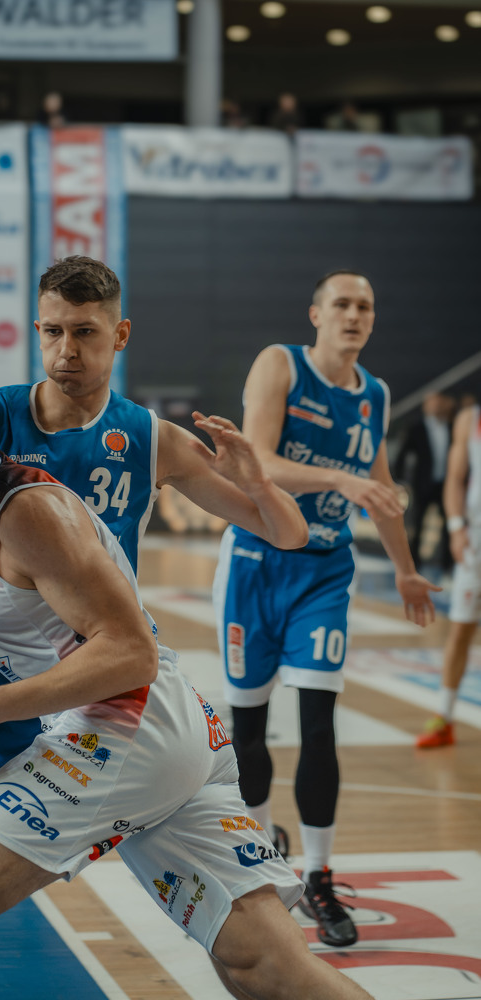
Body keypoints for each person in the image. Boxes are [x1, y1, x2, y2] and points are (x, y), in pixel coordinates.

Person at [0, 350, 375, 1000]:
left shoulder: (30, 513)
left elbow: (130, 655)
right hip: (158, 733)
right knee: (268, 967)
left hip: (124, 722)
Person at [212, 270, 440, 950]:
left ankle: (318, 874)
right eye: (341, 303)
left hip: (323, 571)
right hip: (255, 563)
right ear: (316, 314)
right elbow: (257, 462)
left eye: (364, 305)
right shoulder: (280, 364)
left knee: (318, 723)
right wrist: (343, 477)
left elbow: (380, 490)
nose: (353, 314)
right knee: (248, 725)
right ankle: (259, 860)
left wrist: (406, 570)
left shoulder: (374, 394)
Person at [416, 400, 481, 748]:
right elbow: (454, 480)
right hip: (476, 539)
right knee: (461, 627)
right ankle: (445, 716)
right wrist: (456, 528)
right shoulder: (471, 419)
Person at [393, 392, 455, 573]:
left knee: (448, 523)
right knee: (418, 522)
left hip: (445, 484)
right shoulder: (417, 428)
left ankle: (447, 563)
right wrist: (399, 480)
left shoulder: (450, 427)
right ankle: (414, 562)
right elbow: (402, 455)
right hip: (423, 484)